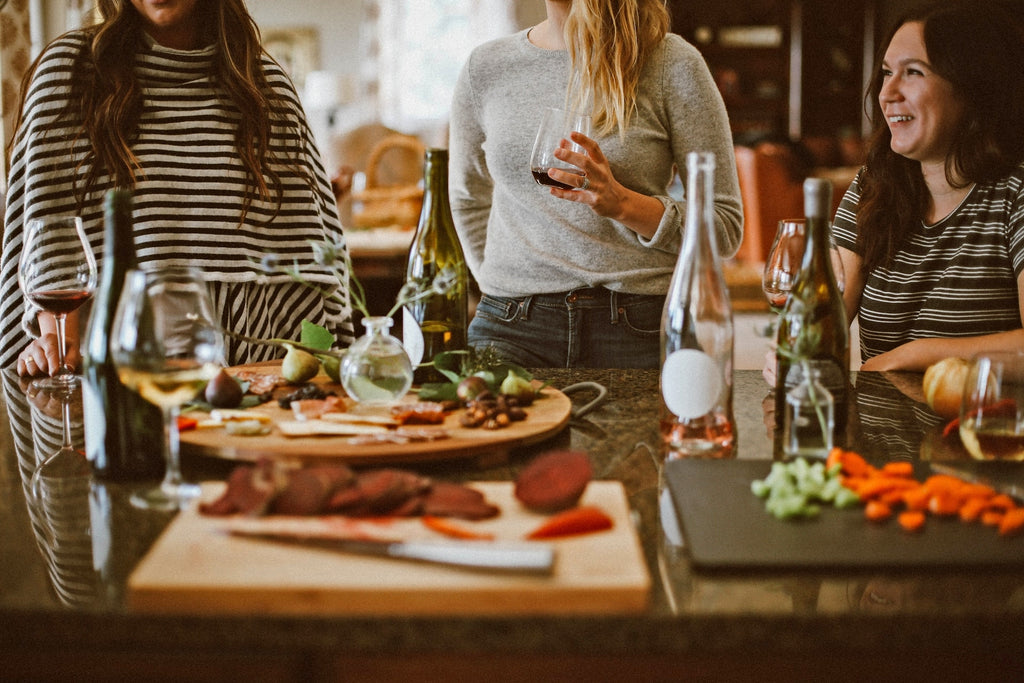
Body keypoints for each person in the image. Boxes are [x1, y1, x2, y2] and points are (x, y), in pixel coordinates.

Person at [1, 0, 352, 377]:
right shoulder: (70, 72)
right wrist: (57, 344)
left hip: (253, 370)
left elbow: (311, 254)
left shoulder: (265, 85)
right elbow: (49, 236)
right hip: (116, 374)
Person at [448, 0, 743, 368]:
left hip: (638, 326)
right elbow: (467, 199)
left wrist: (623, 204)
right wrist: (499, 284)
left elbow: (725, 226)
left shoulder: (671, 62)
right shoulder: (485, 68)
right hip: (510, 327)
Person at [830, 0, 1024, 372]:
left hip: (982, 429)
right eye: (887, 73)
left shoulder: (1014, 192)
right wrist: (795, 345)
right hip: (884, 431)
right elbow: (827, 313)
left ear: (973, 87)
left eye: (914, 72)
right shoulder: (873, 183)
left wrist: (912, 355)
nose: (887, 93)